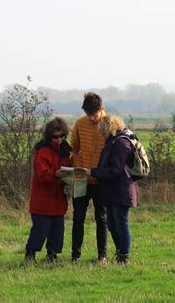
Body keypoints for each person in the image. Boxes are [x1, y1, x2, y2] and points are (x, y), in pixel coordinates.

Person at [89, 115, 137, 264]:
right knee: (111, 224)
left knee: (121, 224)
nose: (102, 134)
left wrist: (93, 172)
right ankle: (120, 252)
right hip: (111, 190)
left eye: (103, 131)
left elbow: (115, 169)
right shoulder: (113, 142)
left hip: (121, 191)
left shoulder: (120, 143)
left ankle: (124, 256)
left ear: (108, 129)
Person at [24, 117, 72, 264]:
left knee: (57, 231)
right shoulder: (42, 151)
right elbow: (42, 175)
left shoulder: (65, 151)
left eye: (62, 136)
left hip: (58, 198)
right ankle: (30, 255)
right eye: (55, 137)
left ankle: (52, 255)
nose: (59, 140)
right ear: (49, 136)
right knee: (40, 230)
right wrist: (56, 174)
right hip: (43, 199)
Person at [70, 92, 108, 262]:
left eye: (94, 114)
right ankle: (75, 255)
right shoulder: (79, 124)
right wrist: (79, 167)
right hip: (81, 178)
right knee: (78, 218)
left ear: (101, 109)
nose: (91, 118)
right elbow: (74, 148)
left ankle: (102, 256)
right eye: (88, 114)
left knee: (102, 218)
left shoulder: (109, 125)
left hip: (102, 180)